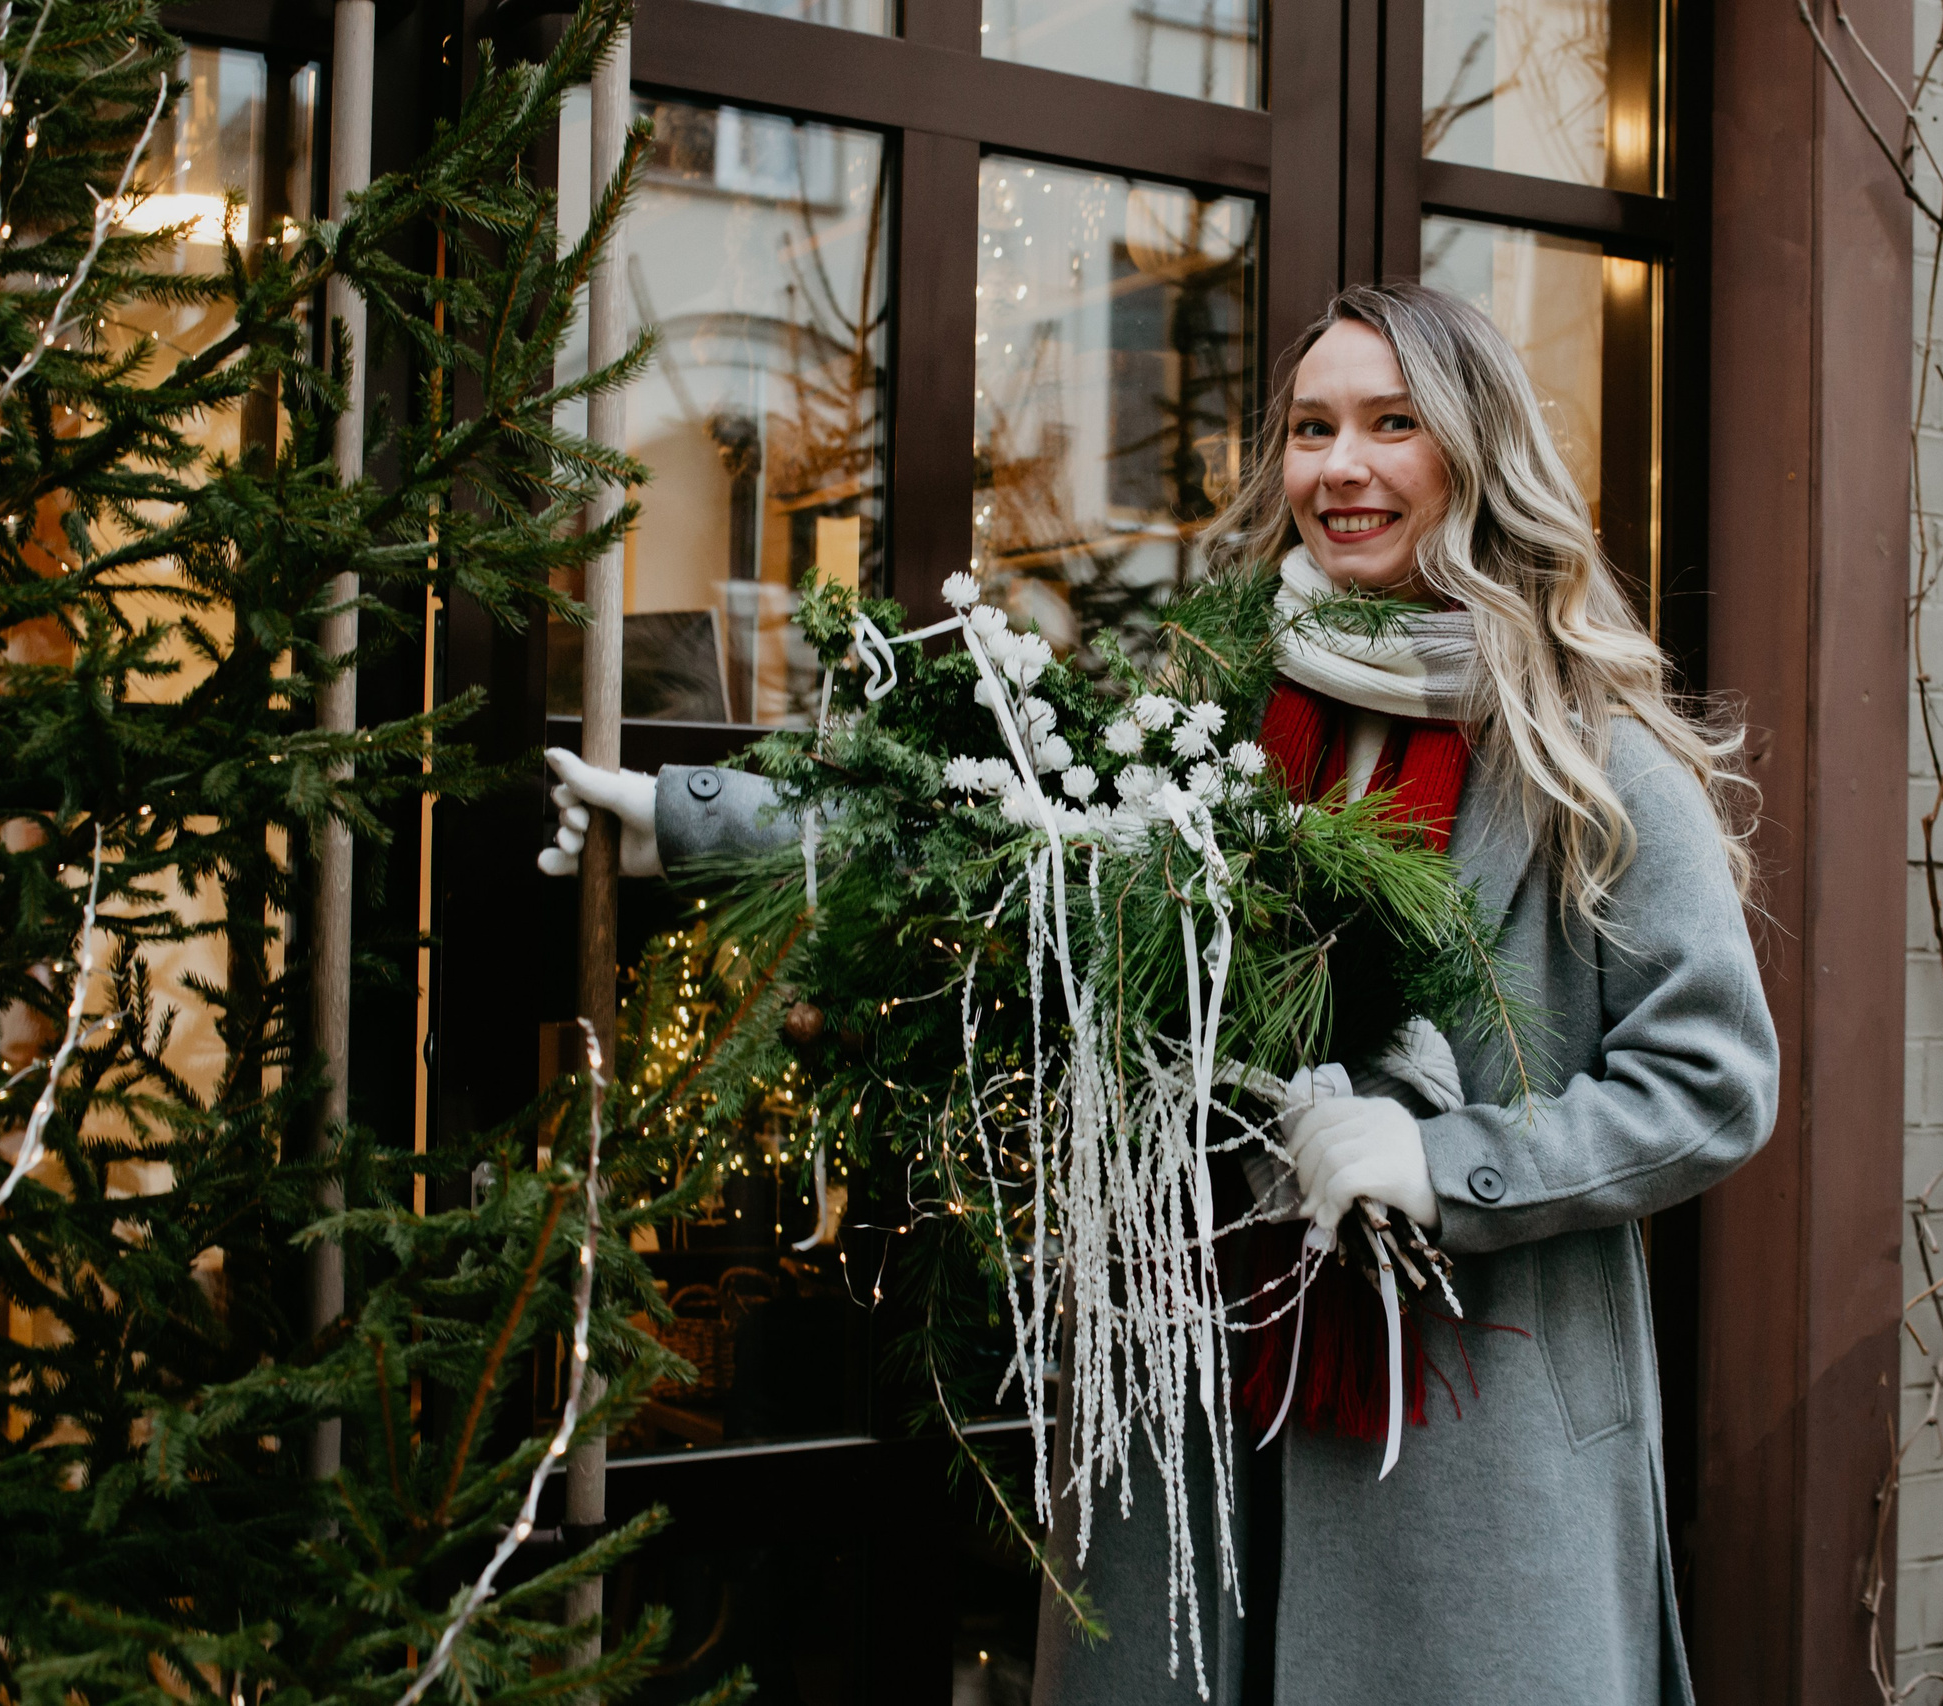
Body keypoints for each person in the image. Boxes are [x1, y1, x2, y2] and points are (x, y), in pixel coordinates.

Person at [544, 281, 1777, 1704]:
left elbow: (1714, 1085)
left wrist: (1446, 1164)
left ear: (1477, 453)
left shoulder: (1589, 757)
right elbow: (993, 829)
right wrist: (685, 816)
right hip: (1196, 1409)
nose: (1341, 465)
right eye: (1311, 428)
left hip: (1467, 1461)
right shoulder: (1218, 707)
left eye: (1393, 424)